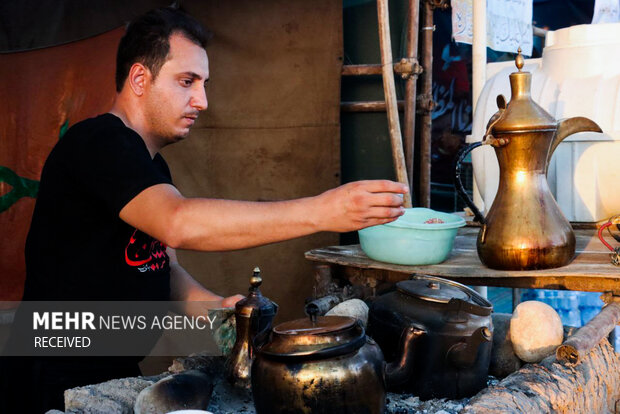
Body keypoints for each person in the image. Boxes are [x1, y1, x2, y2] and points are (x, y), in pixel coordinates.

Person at [1, 6, 407, 412]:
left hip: (113, 362)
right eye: (187, 81)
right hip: (55, 369)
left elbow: (165, 267)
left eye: (204, 83)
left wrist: (216, 310)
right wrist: (321, 212)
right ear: (140, 78)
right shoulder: (99, 142)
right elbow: (177, 224)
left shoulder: (151, 165)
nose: (202, 100)